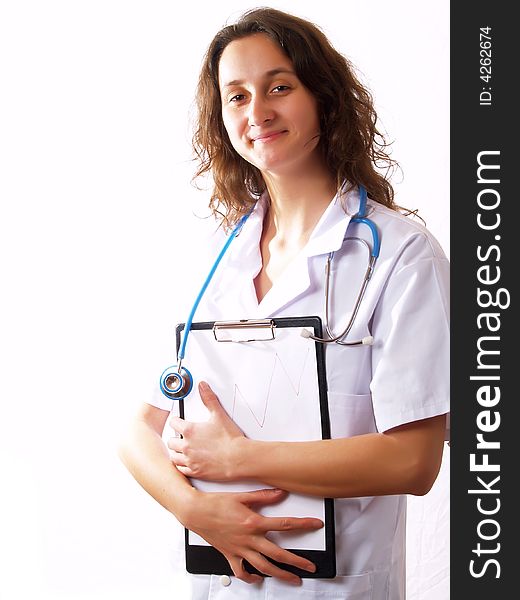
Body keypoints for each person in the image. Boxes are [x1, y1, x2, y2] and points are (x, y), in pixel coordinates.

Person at [118, 6, 449, 599]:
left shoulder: (401, 255)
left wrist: (238, 458)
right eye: (237, 97)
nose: (258, 112)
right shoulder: (220, 257)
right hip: (221, 581)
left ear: (322, 96)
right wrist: (198, 511)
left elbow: (413, 461)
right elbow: (137, 431)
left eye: (278, 87)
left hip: (339, 587)